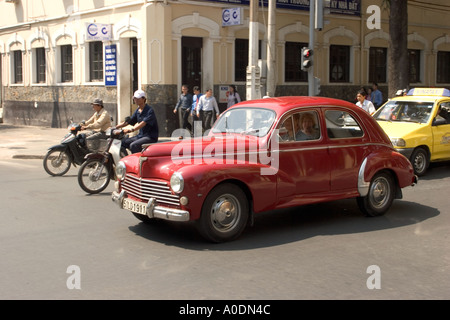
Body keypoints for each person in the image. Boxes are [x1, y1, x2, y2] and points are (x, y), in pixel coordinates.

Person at [116, 89, 159, 154]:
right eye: (135, 98)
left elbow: (143, 123)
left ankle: (137, 162)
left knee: (134, 145)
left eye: (138, 99)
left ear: (143, 99)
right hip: (140, 136)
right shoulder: (138, 111)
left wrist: (131, 130)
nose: (136, 100)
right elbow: (129, 121)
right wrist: (116, 127)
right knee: (123, 143)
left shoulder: (149, 111)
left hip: (149, 137)